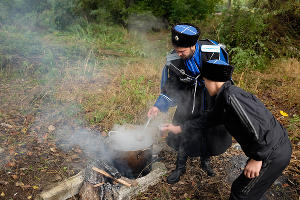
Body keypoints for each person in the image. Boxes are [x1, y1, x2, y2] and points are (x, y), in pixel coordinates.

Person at [193, 59, 292, 199]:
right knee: (253, 191)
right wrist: (178, 127)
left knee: (241, 193)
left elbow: (258, 125)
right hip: (273, 148)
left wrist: (258, 158)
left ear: (211, 80)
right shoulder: (225, 97)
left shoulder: (232, 97)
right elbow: (209, 119)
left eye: (205, 81)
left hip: (271, 153)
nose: (205, 85)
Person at [147, 23, 232, 184]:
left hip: (210, 95)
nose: (178, 54)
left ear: (193, 45)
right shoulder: (174, 58)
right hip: (187, 98)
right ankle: (180, 166)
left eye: (182, 51)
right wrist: (157, 106)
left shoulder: (213, 52)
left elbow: (223, 78)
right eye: (177, 50)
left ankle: (205, 161)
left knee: (208, 127)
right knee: (183, 128)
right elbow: (171, 86)